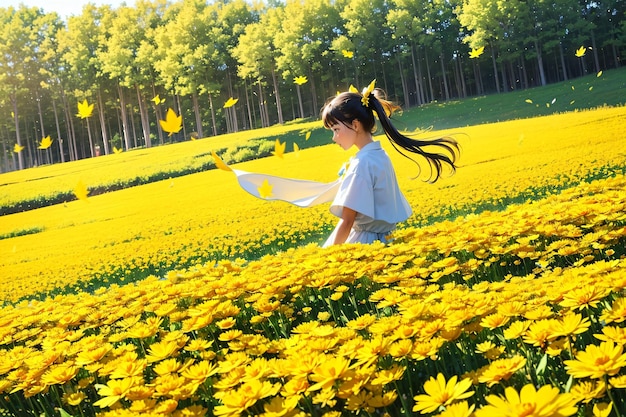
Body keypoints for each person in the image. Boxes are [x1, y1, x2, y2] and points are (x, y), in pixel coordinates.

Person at [320, 81, 460, 247]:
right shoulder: (380, 156)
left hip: (362, 243)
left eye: (336, 129)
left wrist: (327, 255)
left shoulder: (361, 164)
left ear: (355, 125)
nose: (334, 138)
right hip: (388, 241)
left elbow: (347, 221)